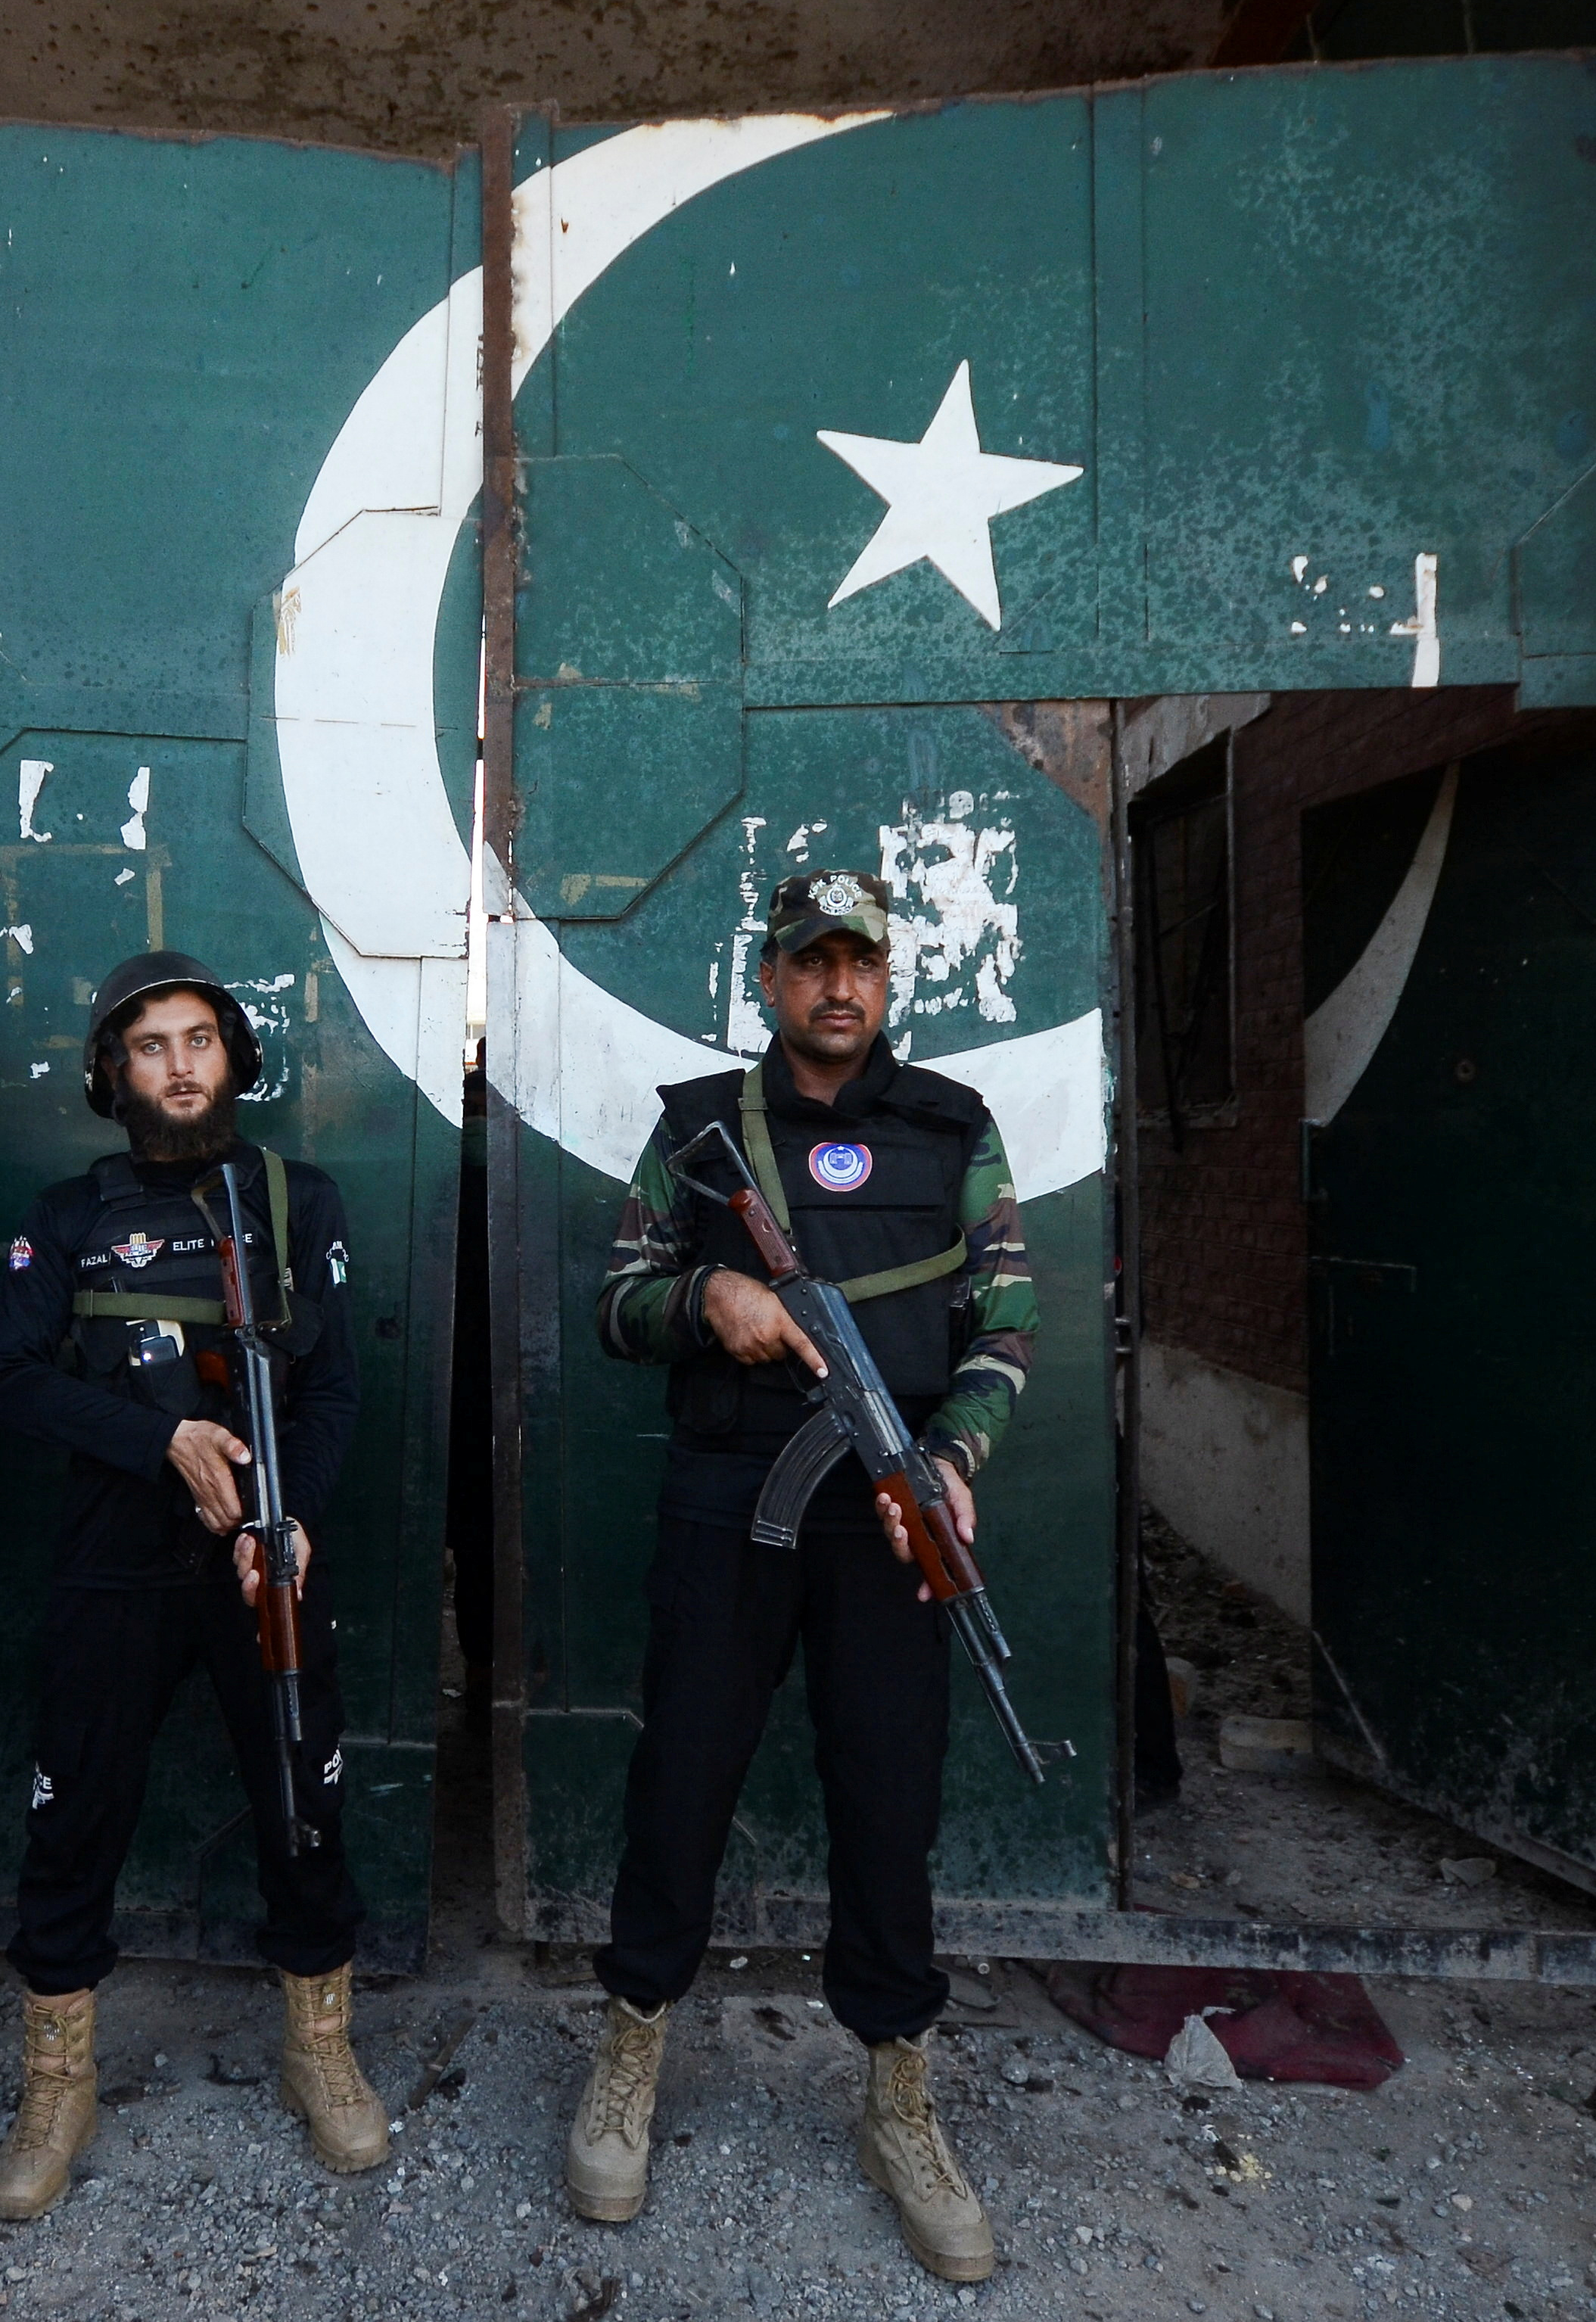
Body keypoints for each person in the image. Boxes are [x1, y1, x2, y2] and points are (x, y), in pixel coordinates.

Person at [565, 868, 1037, 2283]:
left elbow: (1007, 1319)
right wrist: (710, 1300)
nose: (840, 986)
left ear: (892, 980)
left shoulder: (954, 1128)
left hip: (893, 1515)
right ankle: (633, 2047)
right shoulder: (699, 1131)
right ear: (768, 979)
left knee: (890, 1794)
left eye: (863, 964)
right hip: (732, 1504)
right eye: (812, 962)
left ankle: (899, 2090)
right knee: (684, 1778)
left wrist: (953, 1459)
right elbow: (616, 1303)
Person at [0, 949, 386, 2221]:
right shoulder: (68, 1212)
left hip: (264, 1557)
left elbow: (330, 1387)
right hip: (114, 1560)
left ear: (233, 1057)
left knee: (300, 1807)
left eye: (199, 1038)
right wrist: (159, 1441)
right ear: (115, 1071)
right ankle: (57, 2082)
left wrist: (289, 1515)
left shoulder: (296, 1201)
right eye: (150, 1044)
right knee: (73, 1813)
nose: (179, 1064)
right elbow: (9, 1376)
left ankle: (320, 2046)